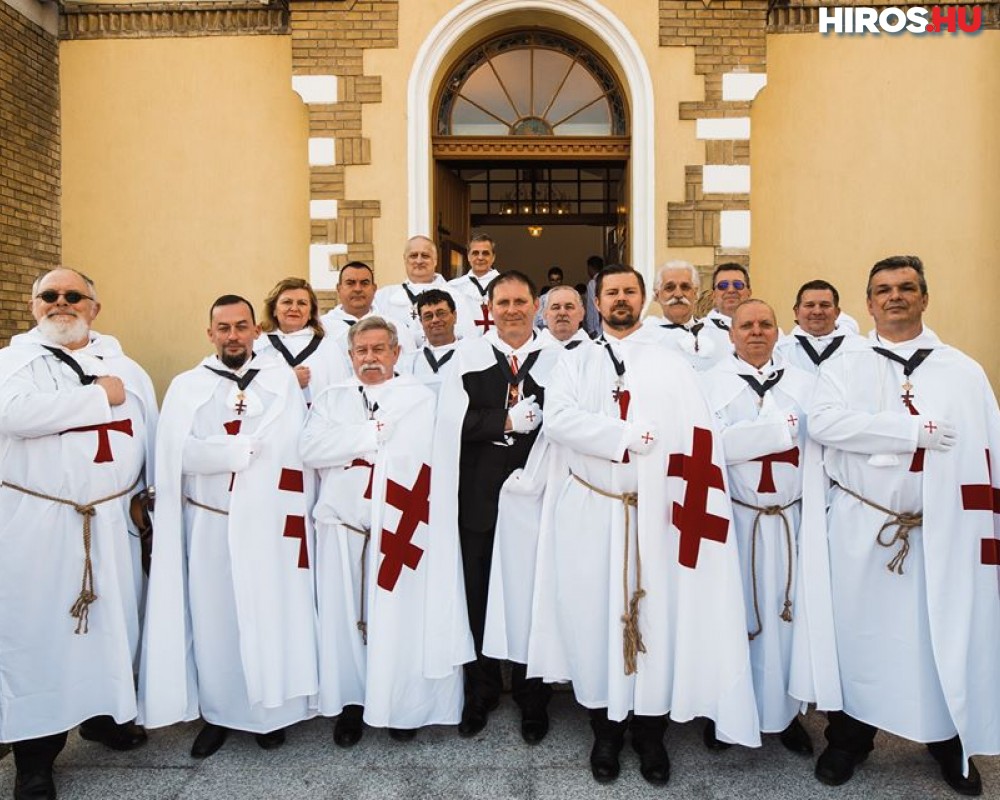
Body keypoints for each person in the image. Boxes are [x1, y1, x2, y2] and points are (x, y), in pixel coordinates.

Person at [528, 264, 760, 786]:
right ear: (597, 301)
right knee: (594, 617)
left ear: (642, 298)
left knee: (652, 616)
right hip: (591, 507)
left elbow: (698, 437)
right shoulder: (573, 360)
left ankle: (651, 734)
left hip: (654, 511)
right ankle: (606, 733)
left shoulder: (670, 362)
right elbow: (559, 420)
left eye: (629, 291)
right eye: (611, 292)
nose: (620, 299)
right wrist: (622, 435)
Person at [804, 256, 1000, 795]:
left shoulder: (961, 370)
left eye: (906, 288)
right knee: (861, 635)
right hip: (865, 525)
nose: (895, 297)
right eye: (883, 290)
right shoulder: (845, 364)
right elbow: (822, 423)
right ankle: (849, 738)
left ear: (924, 297)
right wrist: (907, 432)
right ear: (868, 303)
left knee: (940, 634)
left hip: (944, 531)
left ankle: (948, 739)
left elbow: (989, 450)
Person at [0, 268, 157, 800]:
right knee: (41, 636)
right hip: (39, 525)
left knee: (114, 627)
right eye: (50, 296)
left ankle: (104, 717)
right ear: (33, 304)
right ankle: (36, 758)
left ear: (95, 306)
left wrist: (146, 494)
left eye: (74, 296)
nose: (61, 303)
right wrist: (98, 397)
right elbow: (14, 415)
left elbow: (149, 431)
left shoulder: (126, 368)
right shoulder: (15, 363)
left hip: (113, 522)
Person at [140, 295, 319, 759]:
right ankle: (219, 715)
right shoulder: (187, 386)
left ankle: (270, 714)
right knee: (216, 619)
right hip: (212, 525)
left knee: (271, 614)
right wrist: (230, 453)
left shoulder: (280, 382)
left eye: (242, 326)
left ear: (255, 331)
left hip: (272, 527)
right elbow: (176, 454)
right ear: (211, 333)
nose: (233, 335)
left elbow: (296, 450)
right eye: (224, 328)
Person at [300, 316, 471, 746]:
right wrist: (367, 435)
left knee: (400, 623)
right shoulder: (330, 398)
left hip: (398, 531)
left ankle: (401, 704)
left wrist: (353, 443)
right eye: (362, 350)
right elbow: (310, 449)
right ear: (351, 355)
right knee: (344, 623)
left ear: (396, 353)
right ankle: (352, 705)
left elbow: (418, 458)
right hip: (341, 528)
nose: (370, 358)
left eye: (379, 349)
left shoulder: (417, 398)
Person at [434, 271, 560, 743]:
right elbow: (449, 422)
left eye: (521, 301)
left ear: (536, 307)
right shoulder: (466, 357)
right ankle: (482, 689)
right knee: (478, 593)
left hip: (537, 495)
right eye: (502, 301)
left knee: (532, 594)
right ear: (489, 307)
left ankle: (533, 696)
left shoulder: (557, 358)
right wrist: (504, 419)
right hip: (480, 495)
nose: (512, 309)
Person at [700, 299, 816, 755]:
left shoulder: (806, 386)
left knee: (788, 619)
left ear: (778, 331)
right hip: (735, 519)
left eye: (765, 324)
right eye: (746, 325)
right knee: (732, 616)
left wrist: (750, 436)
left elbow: (821, 444)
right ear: (730, 334)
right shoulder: (708, 385)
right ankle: (726, 712)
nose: (756, 332)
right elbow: (714, 448)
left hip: (790, 519)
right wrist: (776, 431)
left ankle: (784, 716)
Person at [374, 236, 476, 349]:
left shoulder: (455, 296)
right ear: (405, 259)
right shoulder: (383, 296)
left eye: (425, 256)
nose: (419, 261)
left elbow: (468, 338)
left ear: (435, 260)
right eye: (413, 255)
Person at [256, 277, 334, 402]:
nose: (294, 308)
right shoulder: (257, 345)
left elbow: (340, 397)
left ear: (310, 313)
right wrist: (290, 381)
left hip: (315, 419)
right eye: (287, 302)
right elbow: (248, 390)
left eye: (302, 303)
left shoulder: (328, 348)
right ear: (274, 310)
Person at [643, 260, 727, 370]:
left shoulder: (716, 334)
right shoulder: (643, 337)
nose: (678, 294)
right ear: (657, 295)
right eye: (669, 287)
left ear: (696, 293)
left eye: (685, 287)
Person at [774, 280, 861, 375]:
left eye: (825, 305)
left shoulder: (860, 350)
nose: (817, 311)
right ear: (796, 312)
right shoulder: (779, 352)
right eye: (809, 305)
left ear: (837, 312)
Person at [318, 261, 379, 380]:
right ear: (338, 288)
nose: (357, 289)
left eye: (364, 283)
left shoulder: (394, 327)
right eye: (350, 283)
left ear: (374, 288)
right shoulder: (320, 328)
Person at [399, 289, 461, 393]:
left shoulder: (471, 355)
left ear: (454, 316)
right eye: (428, 316)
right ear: (421, 322)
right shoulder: (409, 362)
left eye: (441, 314)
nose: (435, 320)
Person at [448, 232, 500, 337]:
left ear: (493, 257)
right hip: (465, 344)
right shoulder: (453, 287)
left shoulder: (505, 284)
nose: (480, 257)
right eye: (475, 253)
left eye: (485, 253)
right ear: (468, 257)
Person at [705, 262, 752, 332]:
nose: (731, 290)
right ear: (713, 295)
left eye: (738, 284)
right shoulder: (697, 334)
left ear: (749, 293)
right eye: (723, 285)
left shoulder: (765, 331)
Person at [583, 255, 604, 337]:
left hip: (597, 328)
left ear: (590, 268)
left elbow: (592, 307)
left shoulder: (592, 283)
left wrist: (591, 329)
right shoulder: (608, 280)